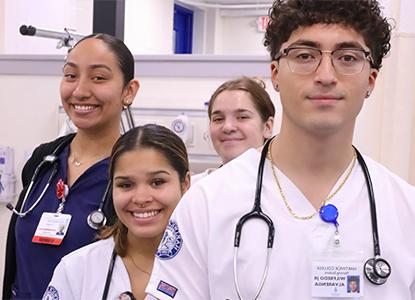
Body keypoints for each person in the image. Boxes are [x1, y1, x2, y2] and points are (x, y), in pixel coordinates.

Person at [145, 0, 415, 299]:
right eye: (304, 55)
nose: (325, 75)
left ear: (371, 80)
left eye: (348, 57)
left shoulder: (405, 211)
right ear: (275, 74)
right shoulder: (207, 202)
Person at [3, 33, 139, 299]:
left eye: (98, 78)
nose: (80, 90)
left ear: (128, 91)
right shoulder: (43, 161)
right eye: (70, 75)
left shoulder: (135, 174)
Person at [43, 124, 190, 300]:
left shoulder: (210, 267)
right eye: (125, 185)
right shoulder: (77, 269)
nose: (141, 198)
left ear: (185, 183)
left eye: (157, 182)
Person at [192, 77, 275, 183]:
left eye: (242, 117)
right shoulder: (194, 188)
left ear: (267, 127)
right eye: (218, 119)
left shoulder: (285, 188)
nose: (227, 127)